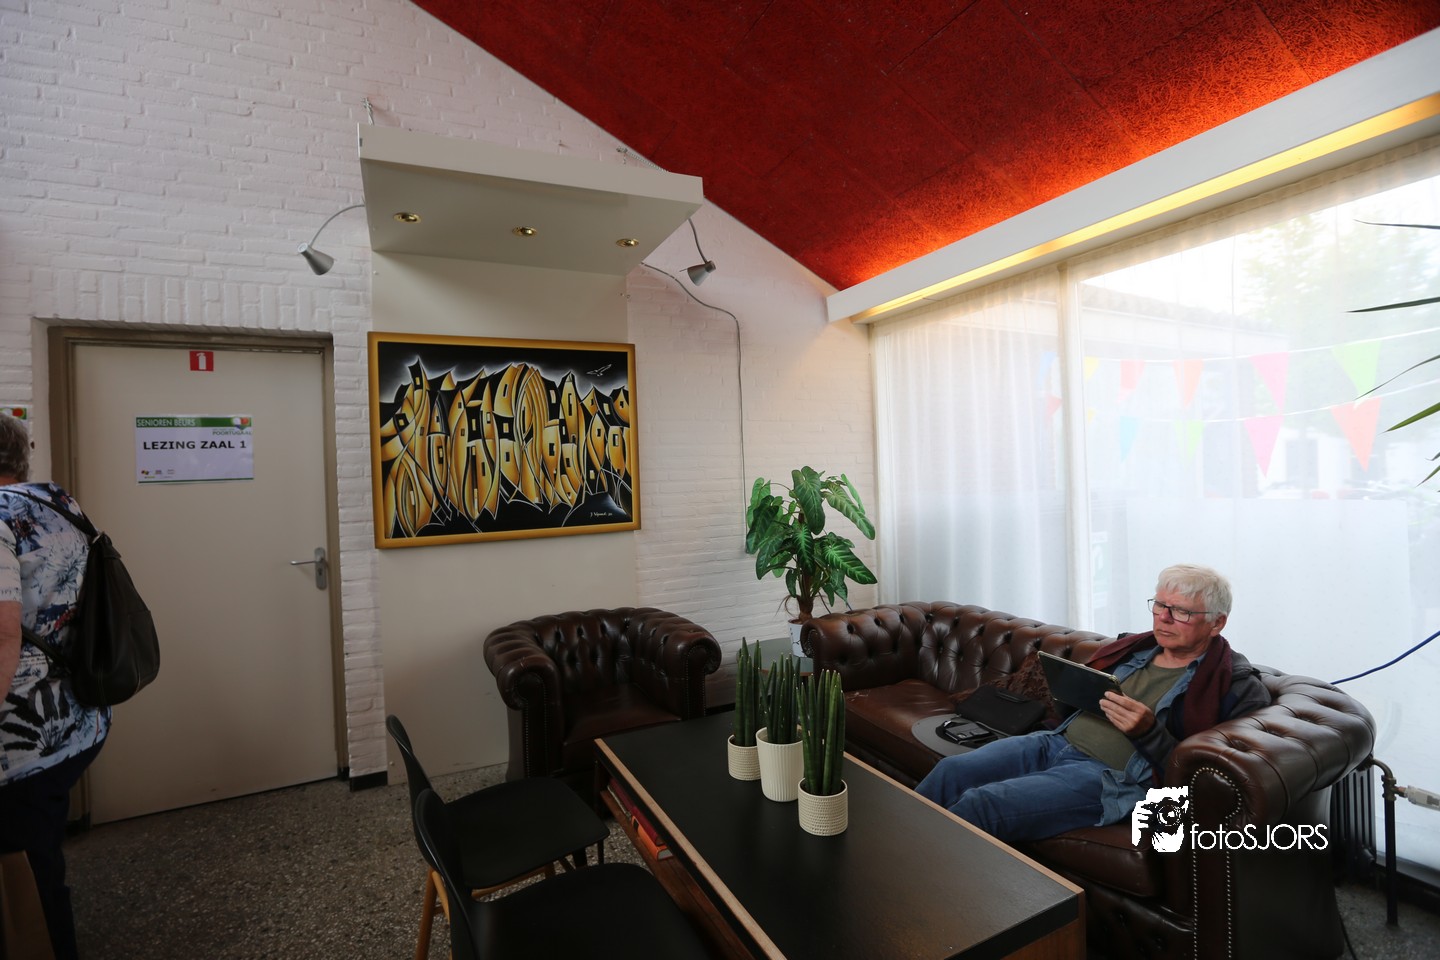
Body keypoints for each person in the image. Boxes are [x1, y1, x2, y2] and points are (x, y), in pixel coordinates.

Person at [916, 563, 1269, 844]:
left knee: (983, 804)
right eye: (1161, 605)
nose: (1163, 618)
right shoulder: (1134, 649)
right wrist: (1069, 692)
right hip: (1053, 742)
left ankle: (916, 886)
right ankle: (897, 859)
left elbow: (1212, 781)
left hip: (1107, 776)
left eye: (1181, 612)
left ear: (1216, 623)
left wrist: (1148, 732)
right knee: (951, 772)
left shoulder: (1236, 687)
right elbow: (1073, 711)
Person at [0, 412, 109, 960]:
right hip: (76, 718)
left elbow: (2, 635)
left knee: (25, 878)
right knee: (38, 860)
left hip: (19, 739)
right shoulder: (57, 504)